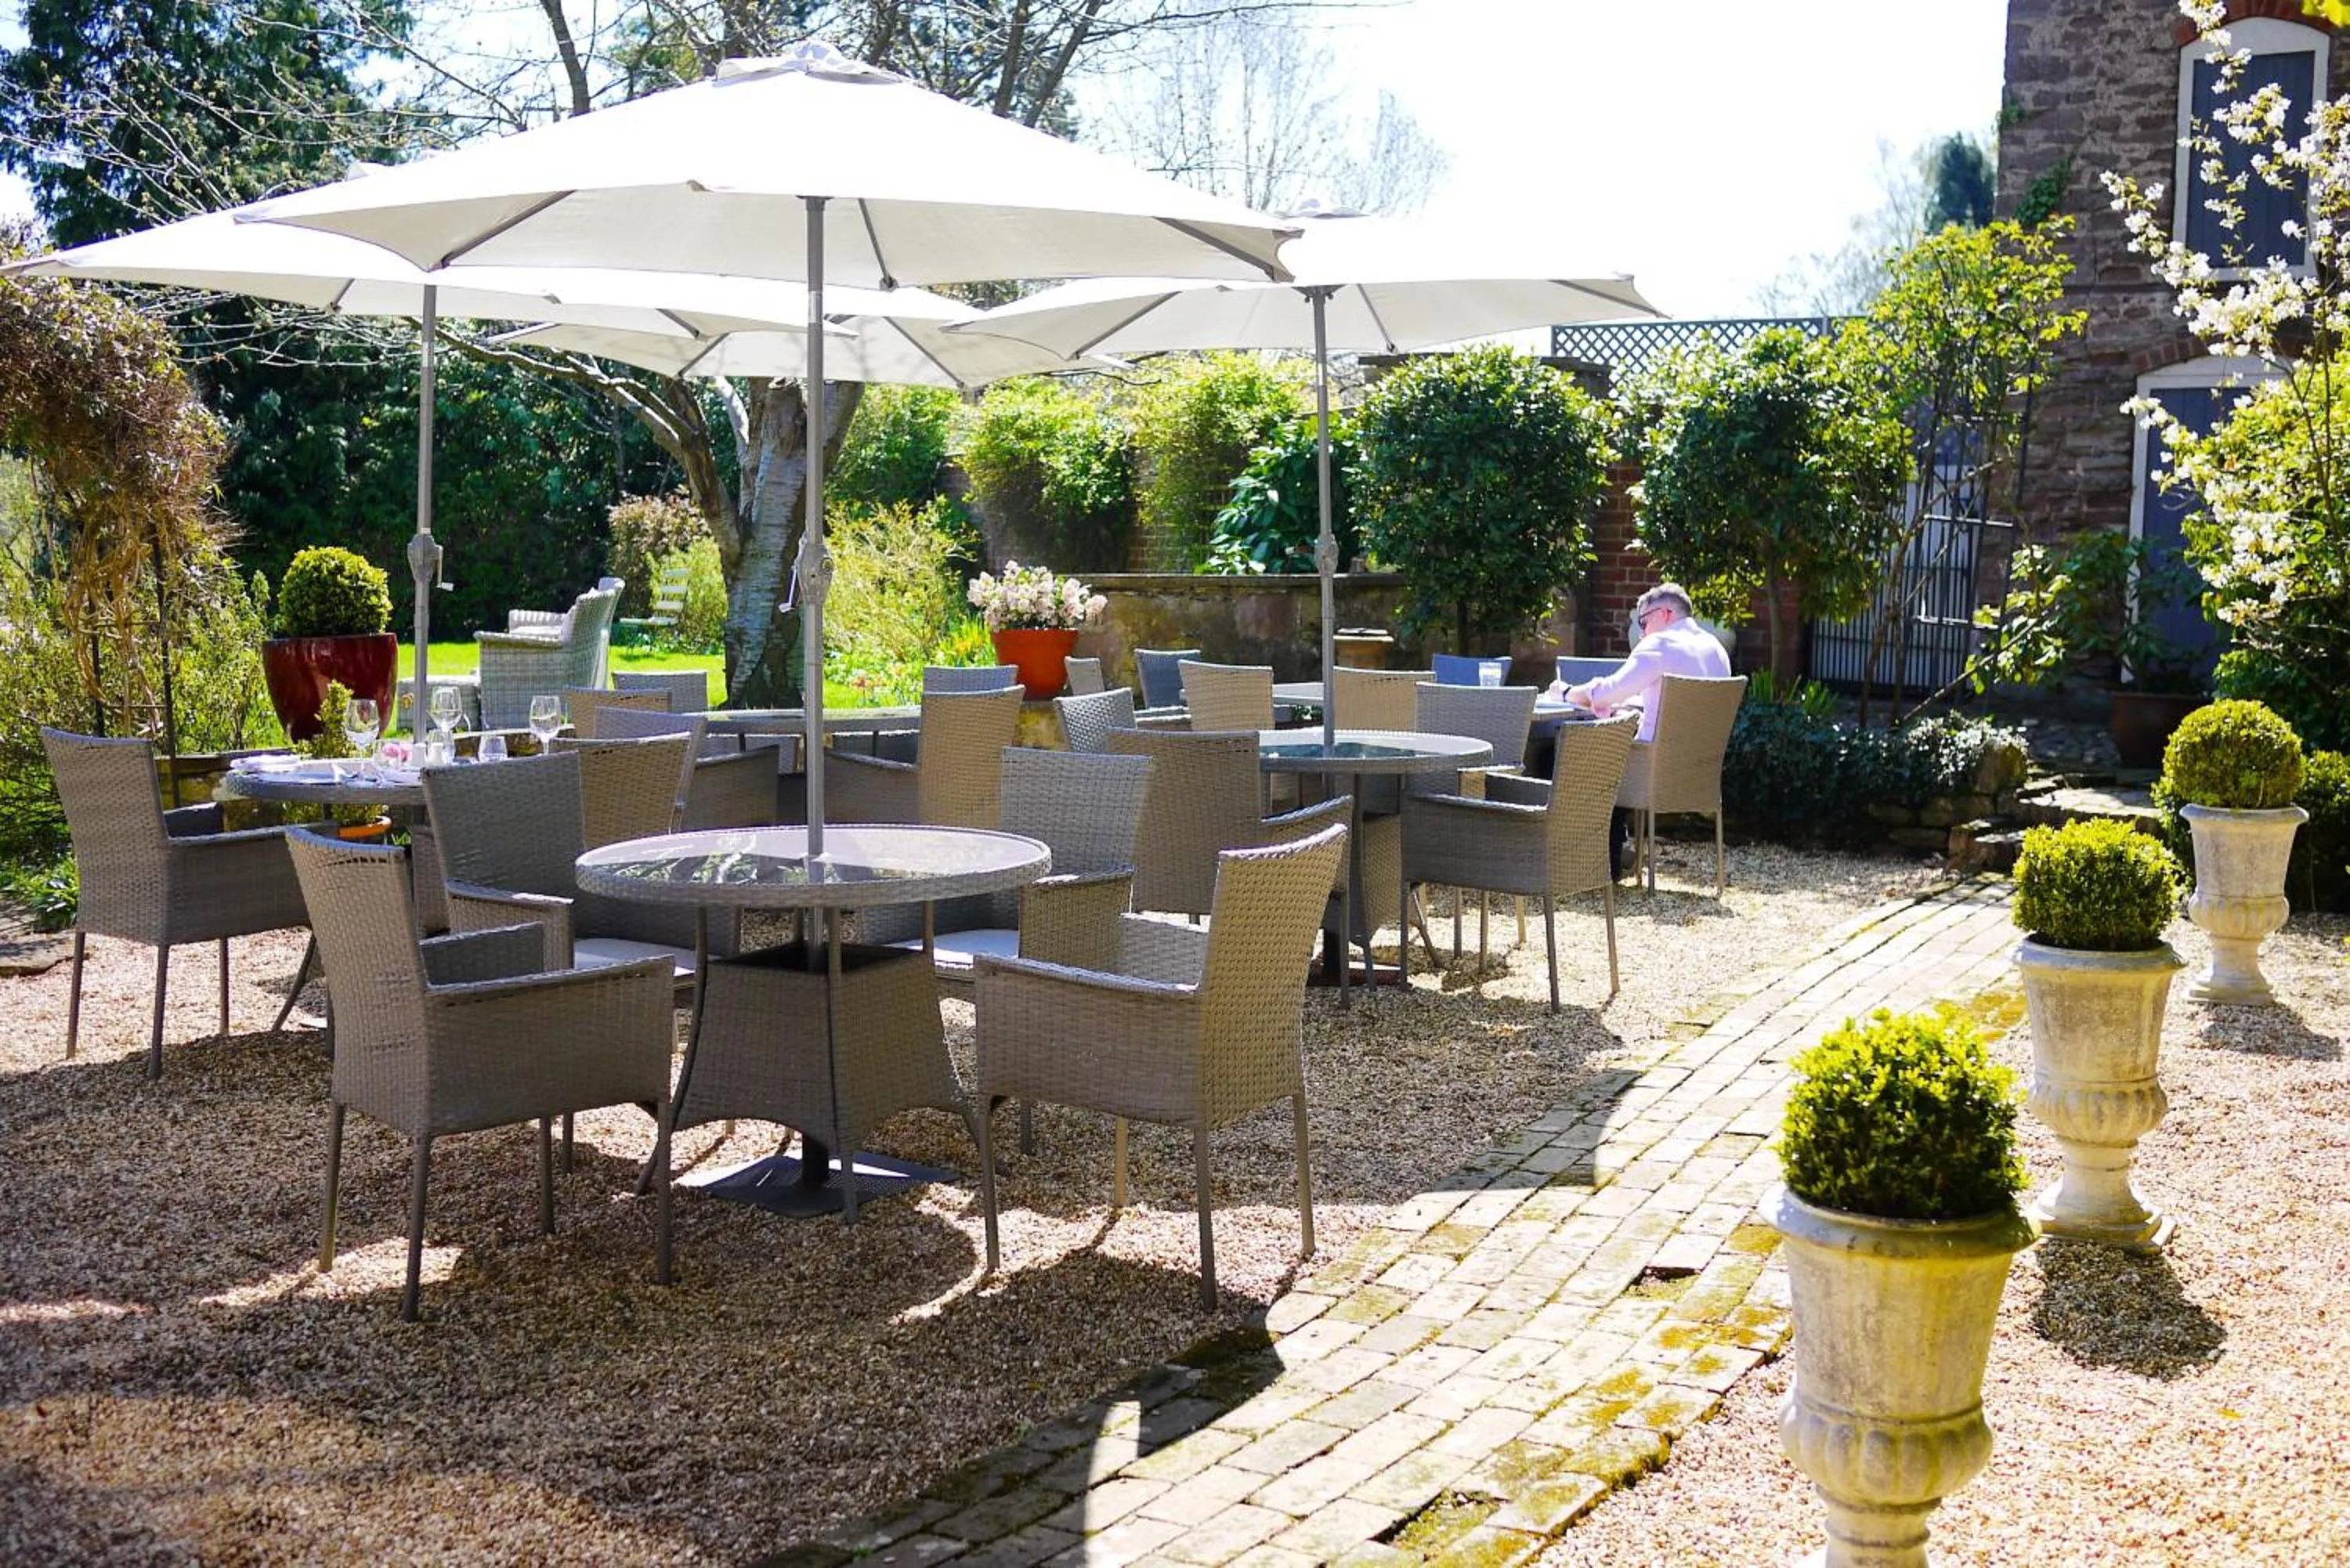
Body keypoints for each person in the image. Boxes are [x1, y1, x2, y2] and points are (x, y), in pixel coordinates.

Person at [1549, 583, 1732, 878]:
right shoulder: (1716, 650)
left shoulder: (1660, 645)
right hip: (1700, 769)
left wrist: (1566, 691)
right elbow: (1671, 705)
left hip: (1651, 767)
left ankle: (1593, 864)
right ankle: (1615, 855)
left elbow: (1608, 692)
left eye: (1644, 622)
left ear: (1666, 614)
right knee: (1611, 744)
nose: (1642, 632)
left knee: (1564, 750)